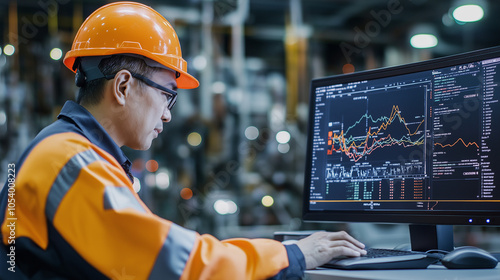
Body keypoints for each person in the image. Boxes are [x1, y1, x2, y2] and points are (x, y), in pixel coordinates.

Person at [0, 2, 366, 279]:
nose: (168, 114)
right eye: (167, 94)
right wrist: (293, 256)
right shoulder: (69, 164)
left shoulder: (68, 153)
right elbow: (176, 264)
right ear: (123, 86)